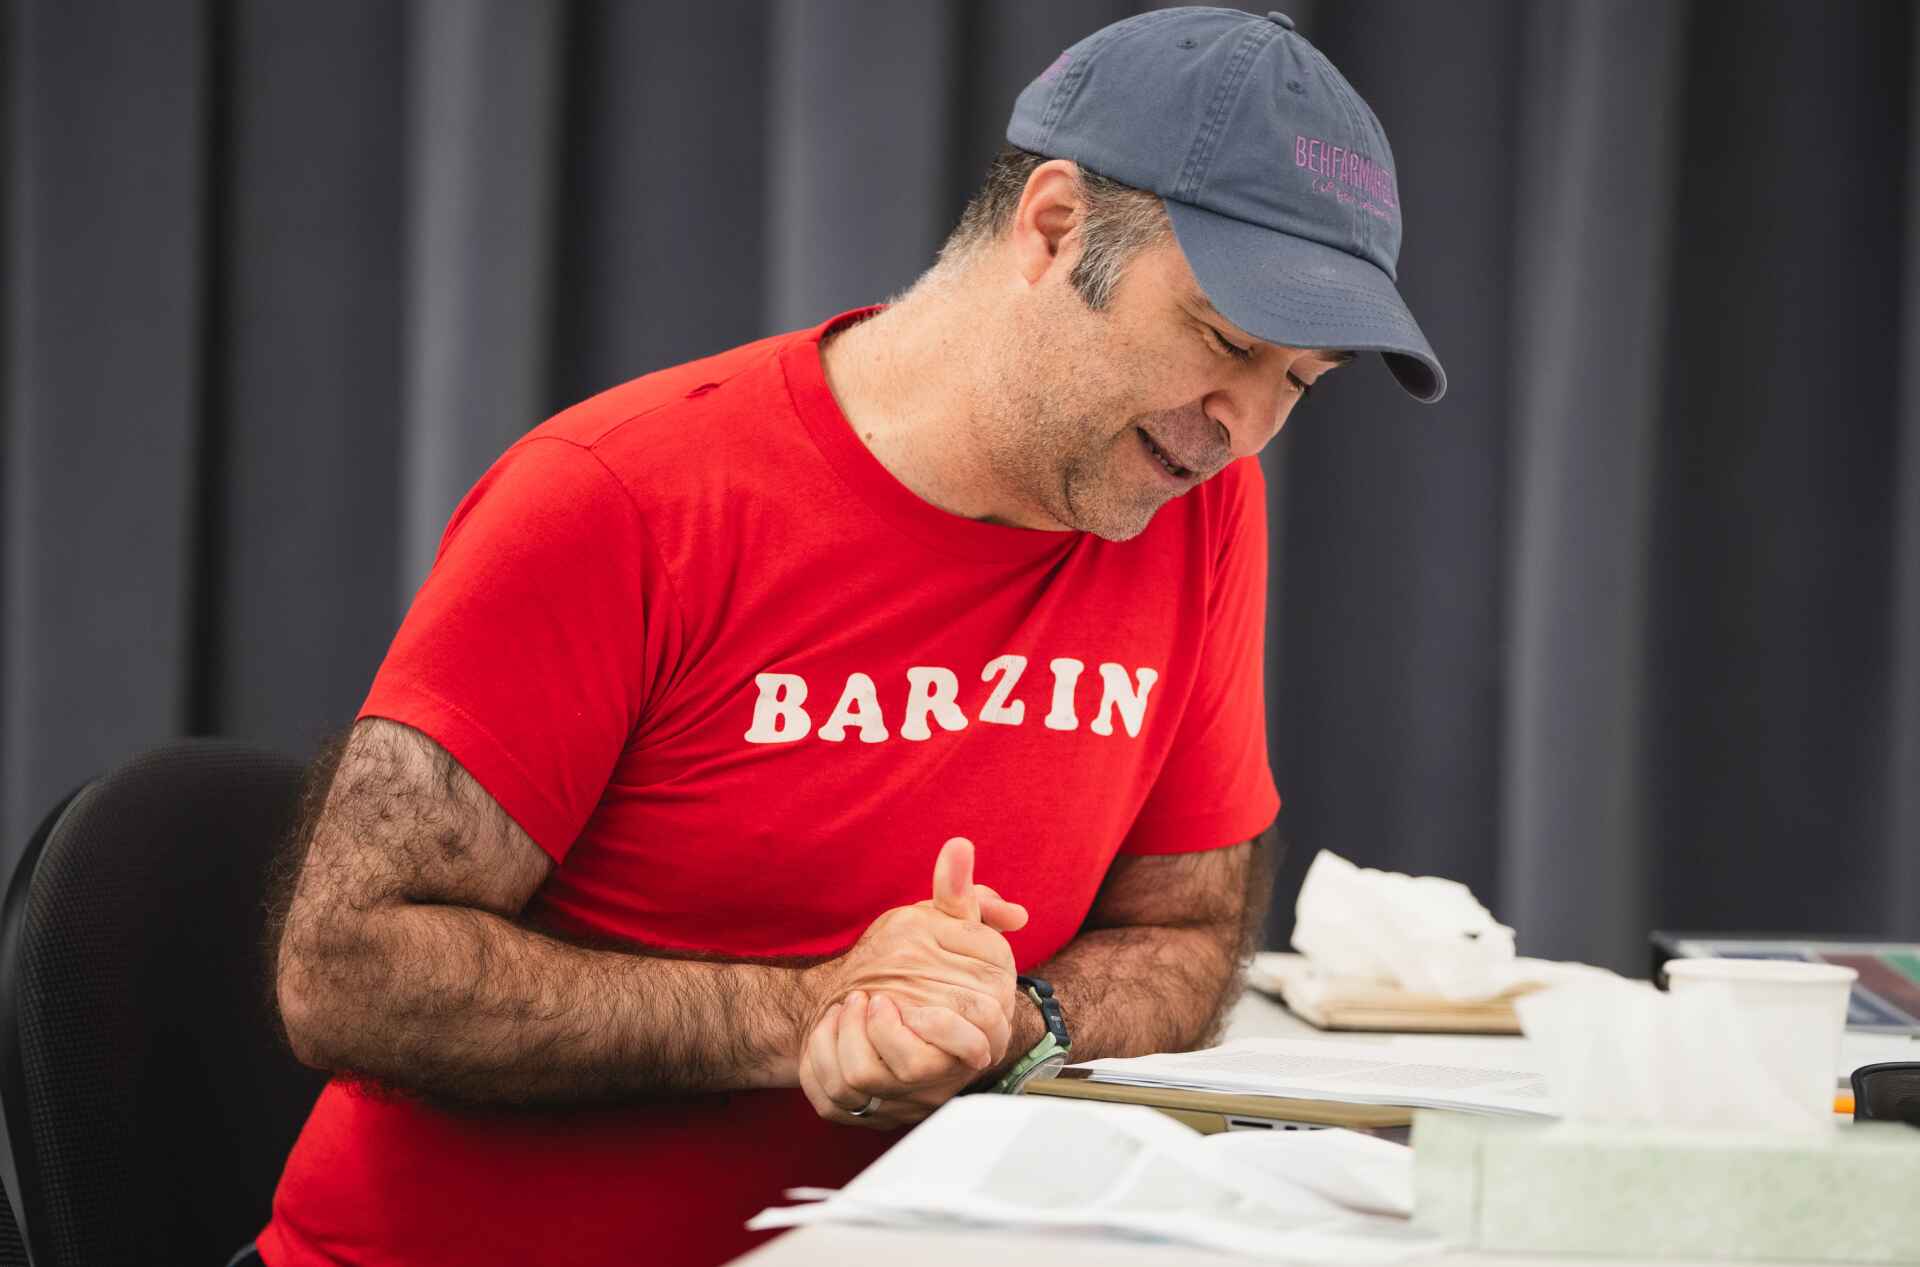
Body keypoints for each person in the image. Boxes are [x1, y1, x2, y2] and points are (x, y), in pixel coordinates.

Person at [249, 7, 1445, 1267]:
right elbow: (347, 965)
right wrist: (805, 1014)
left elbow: (1185, 933)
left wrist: (1012, 1020)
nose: (1245, 426)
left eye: (1300, 382)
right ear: (1054, 228)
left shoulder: (1191, 507)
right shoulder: (625, 500)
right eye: (1225, 340)